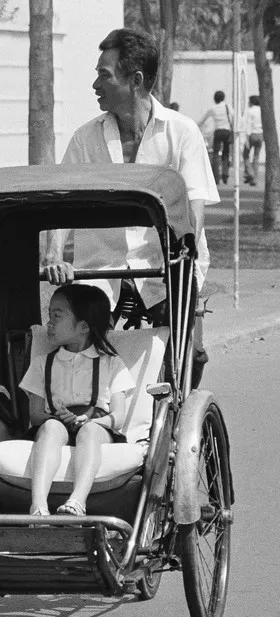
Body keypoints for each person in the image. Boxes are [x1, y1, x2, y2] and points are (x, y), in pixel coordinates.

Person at [43, 27, 218, 388]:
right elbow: (62, 201)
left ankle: (177, 413)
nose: (94, 84)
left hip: (165, 268)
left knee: (188, 353)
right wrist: (53, 255)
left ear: (135, 80)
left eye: (103, 75)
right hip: (101, 269)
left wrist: (182, 255)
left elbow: (194, 205)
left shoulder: (182, 132)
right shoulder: (86, 138)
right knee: (74, 343)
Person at [21, 285, 134, 516]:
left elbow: (118, 417)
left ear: (83, 326)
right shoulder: (42, 363)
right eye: (49, 314)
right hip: (55, 424)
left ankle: (77, 501)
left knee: (89, 432)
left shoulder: (111, 364)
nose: (49, 322)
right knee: (51, 427)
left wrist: (88, 421)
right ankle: (38, 505)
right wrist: (57, 417)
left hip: (97, 427)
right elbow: (35, 415)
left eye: (57, 316)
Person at [198, 90, 234, 185]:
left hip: (218, 132)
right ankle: (225, 174)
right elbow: (234, 118)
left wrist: (196, 126)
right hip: (227, 132)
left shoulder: (212, 109)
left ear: (215, 98)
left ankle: (216, 177)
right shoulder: (228, 107)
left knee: (215, 154)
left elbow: (203, 119)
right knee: (226, 153)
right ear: (223, 98)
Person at [243, 95, 263, 186]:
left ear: (251, 102)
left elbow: (248, 125)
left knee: (245, 155)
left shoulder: (249, 111)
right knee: (256, 156)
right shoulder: (262, 111)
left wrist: (246, 139)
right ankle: (254, 178)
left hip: (252, 134)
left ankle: (251, 173)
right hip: (260, 135)